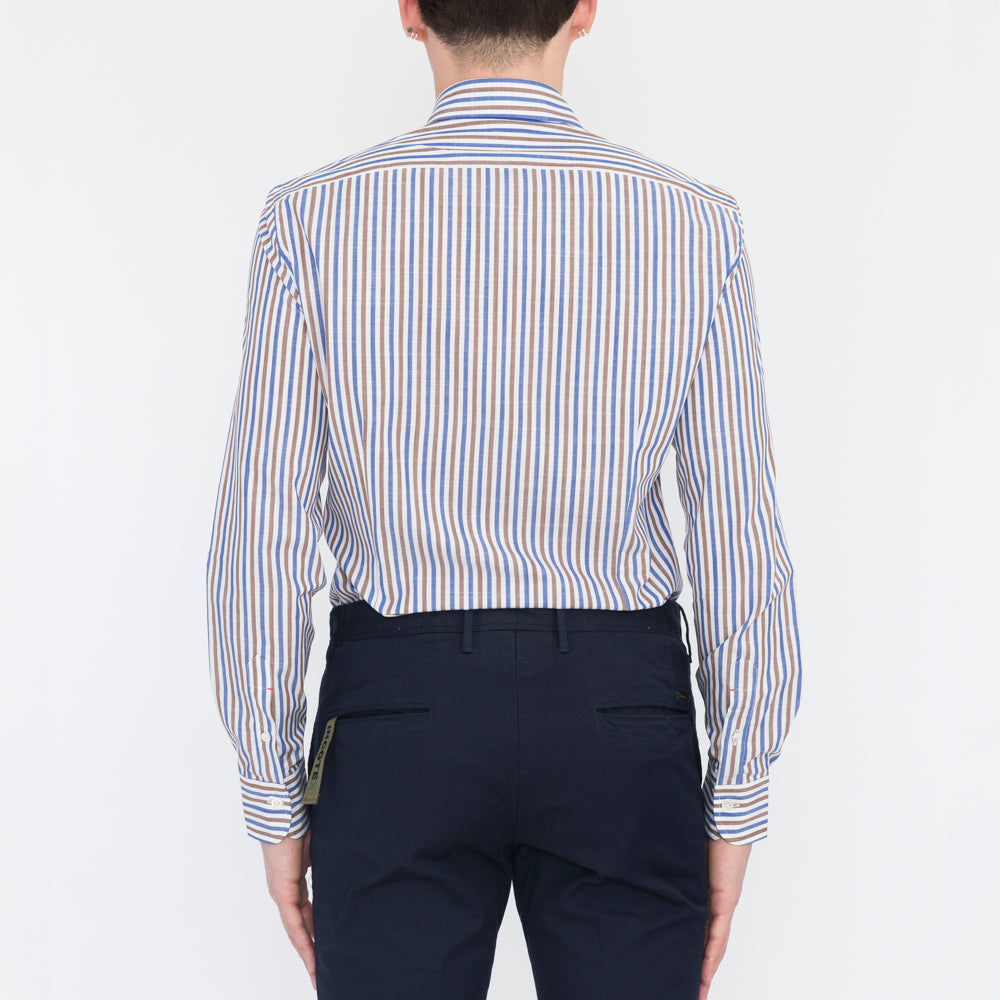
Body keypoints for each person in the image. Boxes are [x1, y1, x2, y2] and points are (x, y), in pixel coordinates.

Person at [204, 1, 803, 997]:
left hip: (397, 713)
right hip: (620, 714)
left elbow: (259, 534)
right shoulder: (694, 223)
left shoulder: (309, 221)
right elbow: (738, 526)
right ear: (584, 11)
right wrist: (737, 797)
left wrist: (274, 801)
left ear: (409, 13)